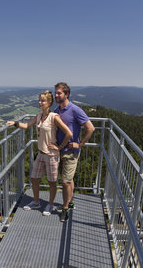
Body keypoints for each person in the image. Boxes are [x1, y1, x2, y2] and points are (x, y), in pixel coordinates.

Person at [6, 90, 72, 216]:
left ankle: (50, 204)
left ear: (49, 103)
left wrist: (60, 147)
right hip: (41, 153)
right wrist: (15, 123)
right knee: (34, 178)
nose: (40, 102)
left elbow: (69, 133)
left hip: (52, 155)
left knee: (52, 182)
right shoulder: (38, 116)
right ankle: (36, 201)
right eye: (39, 100)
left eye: (43, 100)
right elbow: (26, 126)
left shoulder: (54, 117)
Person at [54, 82, 95, 222]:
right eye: (56, 93)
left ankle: (65, 209)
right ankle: (70, 202)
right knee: (68, 180)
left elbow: (90, 128)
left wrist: (80, 144)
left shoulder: (75, 110)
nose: (56, 95)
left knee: (65, 182)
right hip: (59, 150)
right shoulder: (56, 110)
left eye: (59, 93)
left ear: (67, 94)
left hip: (71, 151)